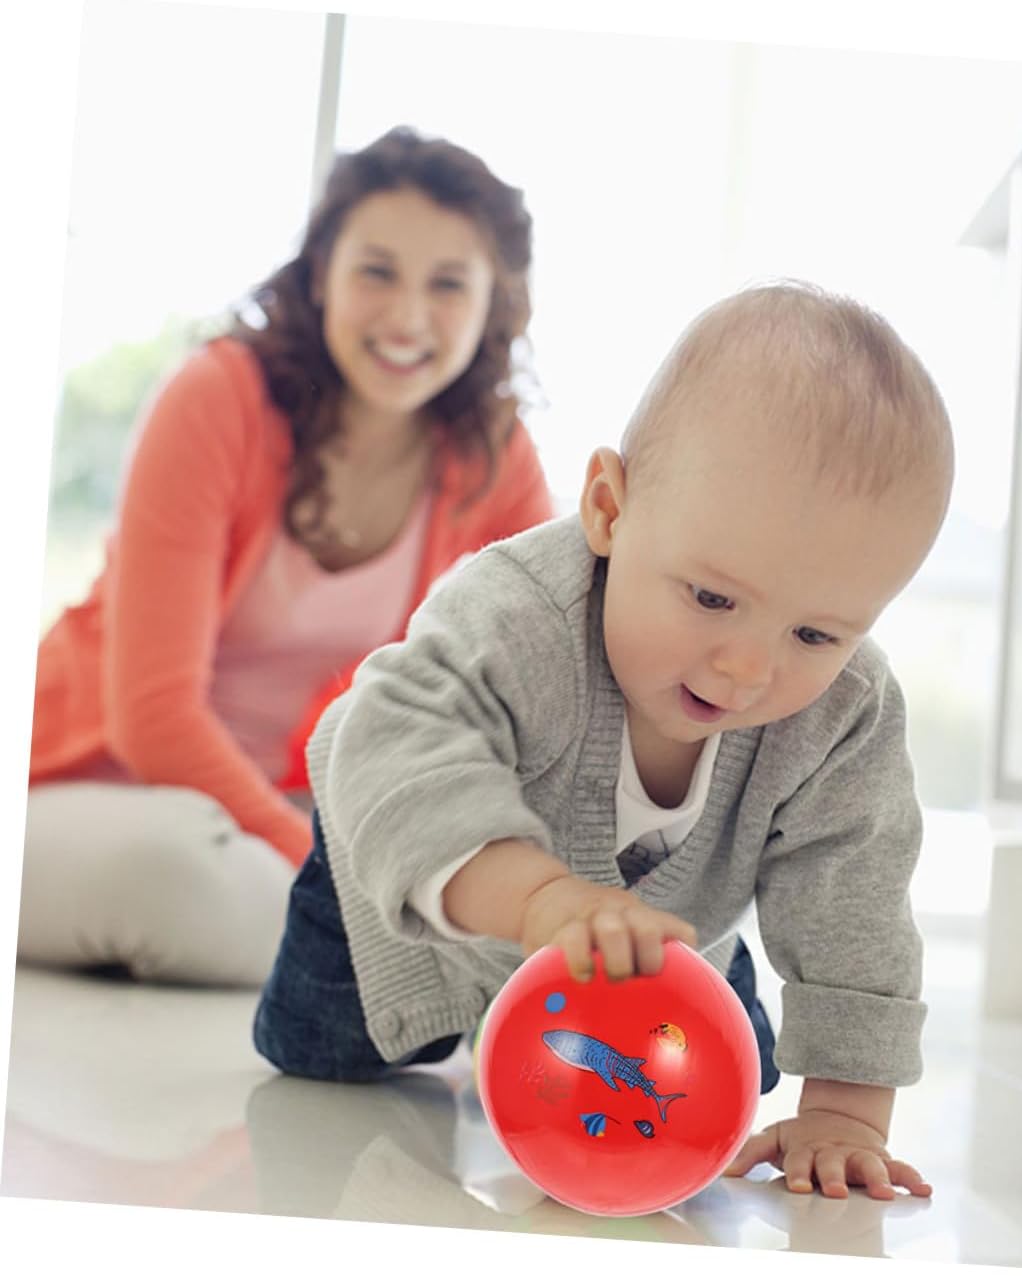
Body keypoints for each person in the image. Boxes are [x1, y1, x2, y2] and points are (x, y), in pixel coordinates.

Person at [253, 280, 954, 1200]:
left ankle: (690, 970)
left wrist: (846, 1112)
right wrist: (538, 899)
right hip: (400, 875)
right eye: (711, 597)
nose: (746, 667)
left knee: (738, 1067)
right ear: (609, 510)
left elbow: (853, 894)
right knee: (321, 1055)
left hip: (640, 931)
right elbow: (400, 739)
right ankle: (443, 1006)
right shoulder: (516, 616)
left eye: (816, 634)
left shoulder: (845, 712)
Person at [19, 126, 556, 988]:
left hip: (265, 808)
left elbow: (553, 669)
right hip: (86, 785)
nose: (406, 317)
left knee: (426, 865)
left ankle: (372, 957)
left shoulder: (490, 455)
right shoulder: (217, 397)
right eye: (376, 272)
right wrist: (327, 867)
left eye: (448, 284)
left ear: (493, 303)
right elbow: (152, 717)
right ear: (320, 275)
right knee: (176, 869)